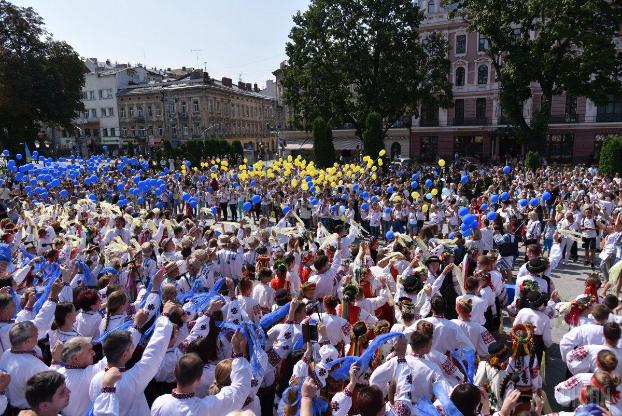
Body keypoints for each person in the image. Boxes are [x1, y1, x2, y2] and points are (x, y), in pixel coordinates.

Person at [150, 331, 251, 416]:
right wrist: (238, 352)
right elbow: (240, 390)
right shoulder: (204, 408)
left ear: (175, 372)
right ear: (198, 378)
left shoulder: (159, 402)